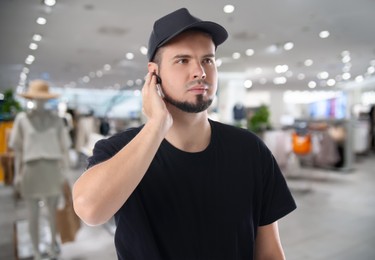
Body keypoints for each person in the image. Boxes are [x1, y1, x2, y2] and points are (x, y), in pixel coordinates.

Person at [73, 8, 296, 260]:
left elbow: (269, 252)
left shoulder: (250, 150)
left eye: (207, 60)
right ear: (153, 74)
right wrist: (157, 124)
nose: (200, 71)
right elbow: (89, 210)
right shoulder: (119, 150)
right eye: (183, 60)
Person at [9, 80, 71, 260]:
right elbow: (18, 151)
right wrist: (17, 174)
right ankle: (36, 250)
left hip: (52, 170)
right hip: (31, 170)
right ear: (31, 98)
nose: (39, 102)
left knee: (52, 214)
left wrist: (65, 174)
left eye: (42, 99)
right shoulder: (22, 120)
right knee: (32, 215)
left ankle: (52, 246)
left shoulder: (57, 120)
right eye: (36, 99)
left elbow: (64, 148)